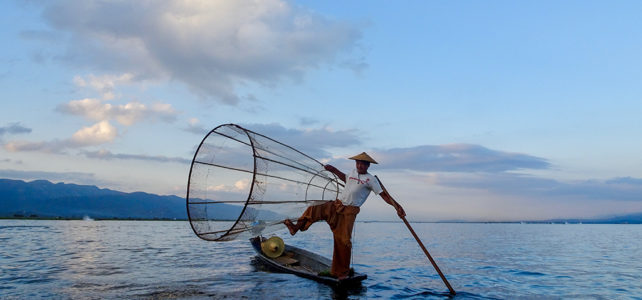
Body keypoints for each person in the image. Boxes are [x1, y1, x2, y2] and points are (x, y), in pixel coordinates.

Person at [284, 152, 406, 280]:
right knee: (314, 209)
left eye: (362, 164)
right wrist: (333, 170)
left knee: (343, 241)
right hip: (337, 205)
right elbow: (344, 178)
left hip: (349, 212)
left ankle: (342, 272)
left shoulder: (371, 180)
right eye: (358, 163)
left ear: (368, 165)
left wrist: (397, 206)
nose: (359, 165)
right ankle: (296, 228)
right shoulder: (353, 173)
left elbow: (384, 195)